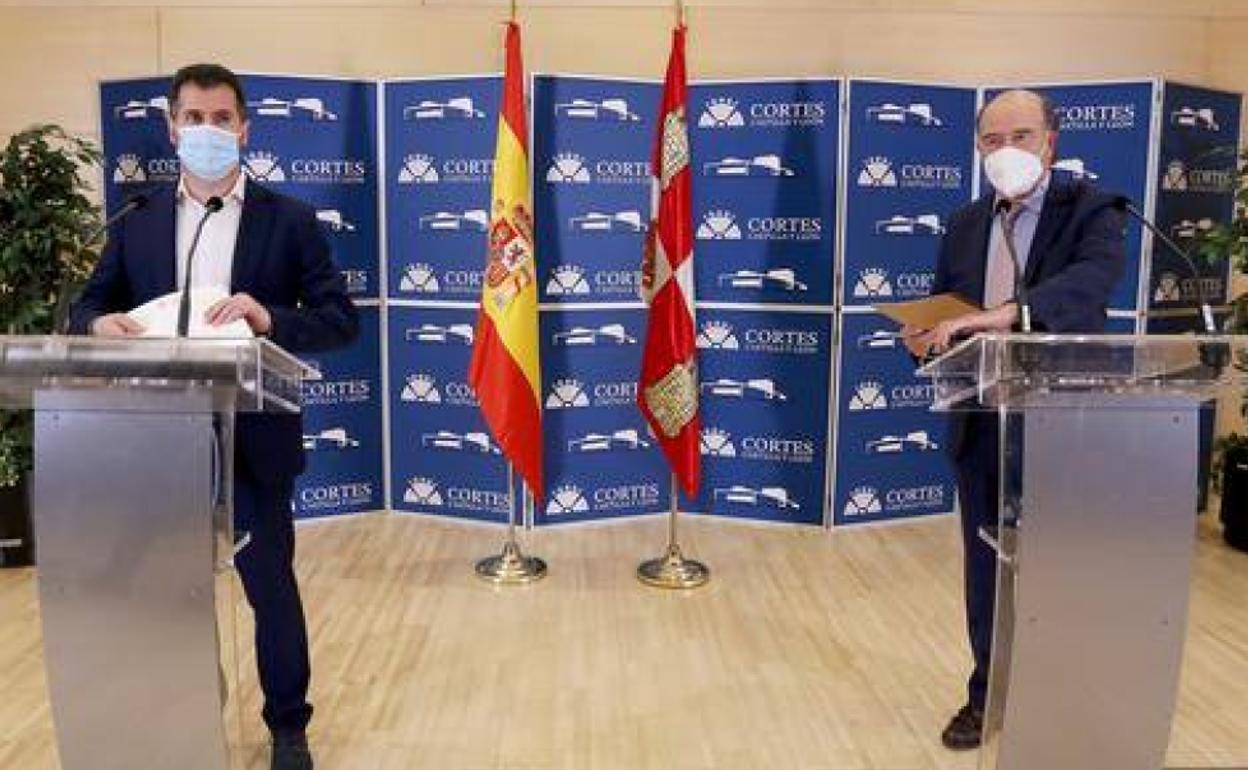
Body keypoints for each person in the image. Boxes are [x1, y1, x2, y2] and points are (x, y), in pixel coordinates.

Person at [70, 63, 359, 770]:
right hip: (158, 444)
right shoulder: (136, 221)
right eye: (192, 119)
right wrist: (97, 325)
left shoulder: (289, 220)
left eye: (220, 119)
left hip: (254, 439)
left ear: (244, 128)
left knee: (269, 587)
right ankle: (180, 710)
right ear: (172, 129)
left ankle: (288, 726)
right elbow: (86, 306)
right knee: (168, 589)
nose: (206, 132)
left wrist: (270, 317)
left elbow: (338, 320)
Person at [904, 89, 1126, 750]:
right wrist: (924, 334)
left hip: (1063, 423)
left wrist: (997, 316)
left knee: (1063, 567)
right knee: (986, 569)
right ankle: (987, 693)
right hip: (981, 421)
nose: (1006, 152)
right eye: (991, 140)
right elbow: (949, 307)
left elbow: (1088, 285)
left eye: (1021, 136)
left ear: (1051, 142)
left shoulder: (1093, 209)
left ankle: (1066, 696)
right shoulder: (967, 221)